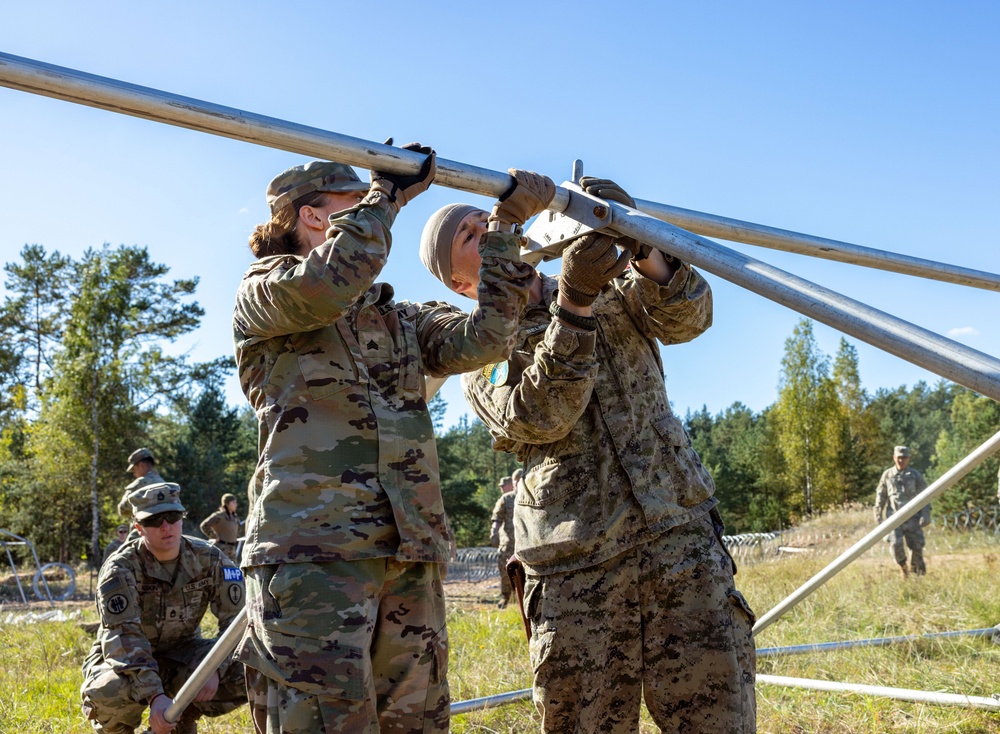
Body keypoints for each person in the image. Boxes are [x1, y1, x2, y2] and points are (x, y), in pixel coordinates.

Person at [231, 150, 553, 733]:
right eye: (354, 205)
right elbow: (328, 284)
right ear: (312, 218)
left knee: (417, 724)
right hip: (313, 558)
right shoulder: (266, 295)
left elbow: (488, 338)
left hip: (409, 553)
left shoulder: (400, 319)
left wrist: (505, 233)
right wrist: (387, 194)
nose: (375, 217)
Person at [419, 177, 757, 733]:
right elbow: (542, 414)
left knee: (720, 719)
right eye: (470, 237)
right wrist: (573, 304)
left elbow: (689, 317)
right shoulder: (477, 351)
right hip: (580, 572)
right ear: (460, 283)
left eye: (489, 223)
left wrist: (634, 235)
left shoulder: (606, 285)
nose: (488, 234)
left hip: (679, 537)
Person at [81, 483, 247, 734]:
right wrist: (155, 696)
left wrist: (215, 667)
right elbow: (123, 638)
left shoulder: (210, 558)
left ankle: (181, 718)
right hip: (125, 658)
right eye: (154, 520)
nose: (166, 526)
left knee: (249, 667)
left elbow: (236, 622)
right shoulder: (120, 569)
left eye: (172, 516)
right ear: (138, 527)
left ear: (182, 517)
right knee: (111, 691)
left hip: (182, 651)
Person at [875, 445, 930, 577]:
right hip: (894, 518)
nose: (901, 460)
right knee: (895, 544)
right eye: (899, 458)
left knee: (917, 547)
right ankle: (903, 568)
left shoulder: (915, 475)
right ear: (894, 458)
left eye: (904, 458)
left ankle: (918, 573)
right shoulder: (888, 475)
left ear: (908, 459)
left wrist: (925, 515)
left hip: (913, 517)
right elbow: (881, 496)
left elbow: (925, 496)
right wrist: (878, 515)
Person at [490, 473, 518, 607]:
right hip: (509, 543)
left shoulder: (530, 496)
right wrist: (494, 533)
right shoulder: (507, 499)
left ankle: (522, 598)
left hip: (527, 544)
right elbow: (497, 518)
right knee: (505, 572)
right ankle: (506, 597)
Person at [117, 448, 166, 519]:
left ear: (141, 465)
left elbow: (123, 509)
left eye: (134, 469)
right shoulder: (165, 483)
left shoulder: (140, 483)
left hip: (143, 528)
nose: (134, 474)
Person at [199, 493, 242, 563]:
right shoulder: (219, 516)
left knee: (233, 570)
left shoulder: (235, 517)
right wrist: (214, 536)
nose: (236, 504)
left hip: (232, 549)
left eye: (236, 502)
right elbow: (204, 525)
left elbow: (238, 530)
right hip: (221, 548)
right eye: (233, 502)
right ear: (227, 504)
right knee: (220, 569)